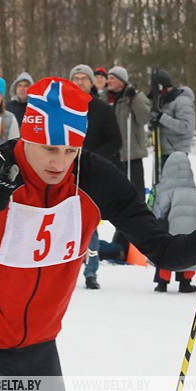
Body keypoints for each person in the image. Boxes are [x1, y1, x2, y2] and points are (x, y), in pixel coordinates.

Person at [0, 77, 196, 391]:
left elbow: (163, 251)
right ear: (27, 137)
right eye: (49, 149)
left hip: (39, 349)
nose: (59, 163)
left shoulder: (93, 177)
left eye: (70, 150)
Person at [69, 64, 122, 289]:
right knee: (62, 224)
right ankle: (62, 272)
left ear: (92, 83)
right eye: (76, 78)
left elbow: (115, 141)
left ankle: (91, 272)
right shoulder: (62, 108)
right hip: (61, 172)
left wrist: (92, 157)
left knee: (89, 225)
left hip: (90, 173)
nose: (80, 82)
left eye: (84, 78)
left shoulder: (101, 109)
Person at [151, 152, 196, 293]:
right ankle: (185, 282)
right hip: (191, 233)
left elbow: (159, 210)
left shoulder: (166, 190)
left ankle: (162, 282)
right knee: (188, 254)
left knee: (166, 253)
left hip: (171, 230)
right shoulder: (194, 192)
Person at [103, 65, 150, 200]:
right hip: (112, 151)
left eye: (112, 78)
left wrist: (135, 99)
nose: (108, 81)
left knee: (136, 187)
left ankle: (139, 211)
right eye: (108, 78)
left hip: (131, 151)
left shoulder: (134, 96)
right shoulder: (104, 97)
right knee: (115, 187)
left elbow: (144, 118)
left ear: (121, 81)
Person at [148, 69, 196, 167]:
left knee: (175, 181)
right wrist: (152, 123)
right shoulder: (163, 101)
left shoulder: (182, 101)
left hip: (177, 152)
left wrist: (161, 117)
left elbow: (186, 126)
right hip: (162, 150)